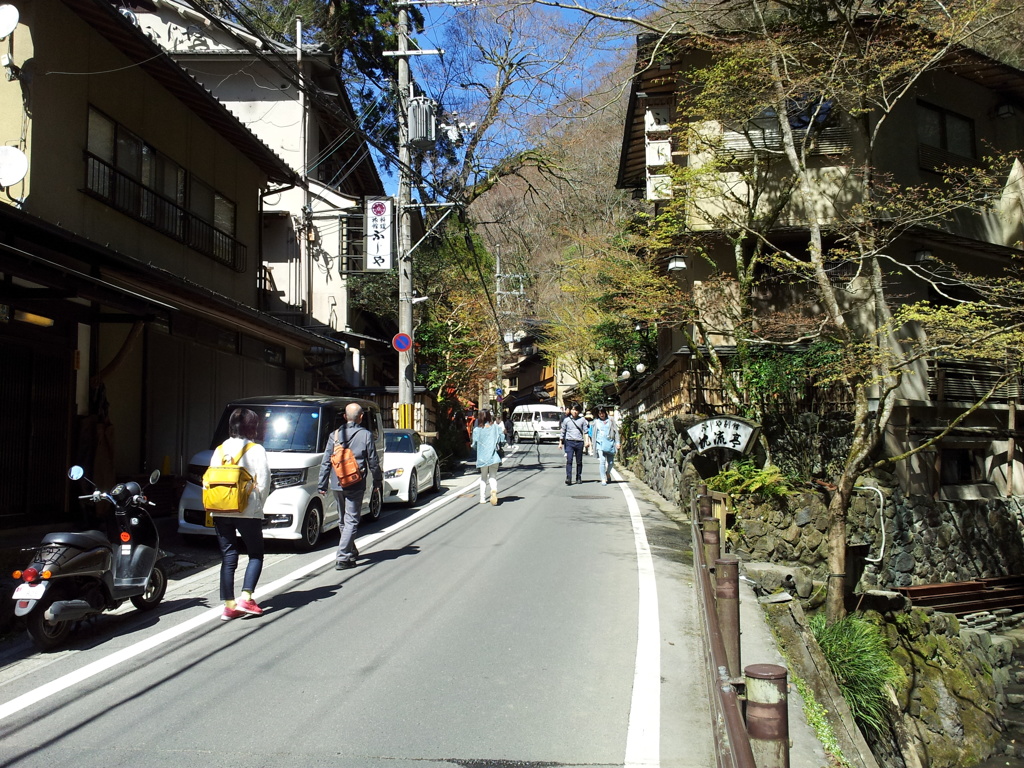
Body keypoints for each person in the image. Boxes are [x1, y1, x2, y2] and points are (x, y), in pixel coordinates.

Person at [210, 407, 270, 621]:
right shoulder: (256, 449)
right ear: (252, 427)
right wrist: (258, 506)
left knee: (228, 557)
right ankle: (246, 597)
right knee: (255, 554)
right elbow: (263, 482)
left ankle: (229, 605)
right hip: (247, 510)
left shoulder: (219, 450)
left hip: (220, 509)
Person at [318, 403, 381, 570]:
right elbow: (373, 461)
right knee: (352, 519)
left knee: (343, 519)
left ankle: (350, 550)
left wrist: (322, 484)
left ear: (345, 417)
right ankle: (343, 556)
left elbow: (326, 461)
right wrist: (377, 480)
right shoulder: (366, 435)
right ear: (360, 417)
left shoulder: (335, 435)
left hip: (337, 482)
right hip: (355, 481)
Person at [471, 409, 506, 505]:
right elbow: (502, 440)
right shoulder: (495, 427)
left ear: (480, 418)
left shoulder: (477, 430)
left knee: (483, 477)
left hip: (482, 457)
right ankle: (493, 490)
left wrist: (478, 448)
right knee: (493, 476)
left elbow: (474, 445)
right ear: (490, 417)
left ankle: (482, 498)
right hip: (494, 456)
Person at [559, 403, 589, 485]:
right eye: (572, 409)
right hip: (569, 442)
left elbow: (586, 432)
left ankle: (578, 477)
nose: (574, 411)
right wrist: (560, 442)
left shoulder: (582, 420)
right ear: (570, 410)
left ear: (579, 411)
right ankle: (568, 477)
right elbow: (563, 432)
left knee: (579, 461)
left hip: (579, 442)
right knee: (569, 460)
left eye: (576, 410)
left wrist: (587, 441)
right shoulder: (566, 420)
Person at [591, 406, 621, 485]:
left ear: (605, 412)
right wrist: (593, 444)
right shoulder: (596, 422)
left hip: (610, 443)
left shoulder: (610, 420)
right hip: (600, 443)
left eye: (602, 413)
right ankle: (603, 478)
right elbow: (593, 434)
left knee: (611, 463)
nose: (601, 415)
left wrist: (617, 442)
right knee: (602, 461)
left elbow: (616, 432)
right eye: (600, 413)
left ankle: (608, 473)